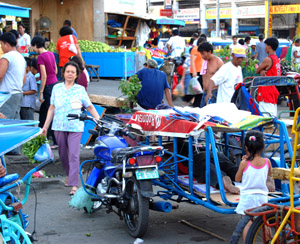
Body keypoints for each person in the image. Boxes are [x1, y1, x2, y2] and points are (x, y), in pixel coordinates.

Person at [42, 62, 100, 195]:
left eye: (72, 72)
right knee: (62, 154)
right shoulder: (57, 88)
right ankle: (69, 174)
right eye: (67, 71)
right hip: (58, 125)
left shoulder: (80, 89)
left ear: (76, 75)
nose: (70, 74)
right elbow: (51, 108)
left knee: (73, 154)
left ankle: (74, 184)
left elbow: (89, 106)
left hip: (75, 126)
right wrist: (45, 127)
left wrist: (98, 120)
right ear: (63, 73)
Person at [235, 130, 273, 241]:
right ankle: (270, 241)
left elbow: (237, 179)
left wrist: (243, 164)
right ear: (262, 147)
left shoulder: (244, 163)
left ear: (246, 147)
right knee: (264, 221)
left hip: (247, 197)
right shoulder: (267, 162)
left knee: (247, 224)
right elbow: (269, 176)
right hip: (262, 196)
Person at [31, 36, 58, 148]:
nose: (32, 48)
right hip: (54, 84)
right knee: (44, 112)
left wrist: (41, 92)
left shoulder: (41, 57)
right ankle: (42, 137)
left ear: (36, 45)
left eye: (33, 46)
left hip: (47, 87)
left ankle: (52, 140)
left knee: (47, 113)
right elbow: (55, 70)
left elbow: (44, 76)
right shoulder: (51, 54)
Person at [0, 32, 26, 119]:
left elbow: (0, 75)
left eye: (1, 44)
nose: (1, 47)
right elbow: (24, 77)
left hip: (7, 94)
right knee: (15, 123)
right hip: (18, 93)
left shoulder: (6, 57)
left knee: (4, 122)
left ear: (6, 44)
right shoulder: (21, 57)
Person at [256, 37, 280, 117]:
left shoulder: (268, 59)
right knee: (272, 116)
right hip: (273, 89)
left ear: (269, 46)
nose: (265, 47)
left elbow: (257, 70)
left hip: (266, 90)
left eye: (265, 45)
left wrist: (261, 71)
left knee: (266, 118)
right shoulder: (276, 59)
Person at [197, 42, 223, 107]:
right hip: (205, 92)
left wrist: (210, 92)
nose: (202, 56)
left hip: (214, 92)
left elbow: (223, 78)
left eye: (203, 54)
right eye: (201, 54)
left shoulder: (218, 62)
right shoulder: (205, 62)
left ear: (209, 52)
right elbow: (204, 77)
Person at [189, 37, 206, 107]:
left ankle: (197, 105)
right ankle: (196, 105)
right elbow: (192, 61)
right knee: (198, 91)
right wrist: (194, 72)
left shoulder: (199, 50)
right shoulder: (195, 49)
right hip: (196, 72)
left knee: (199, 91)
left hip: (200, 71)